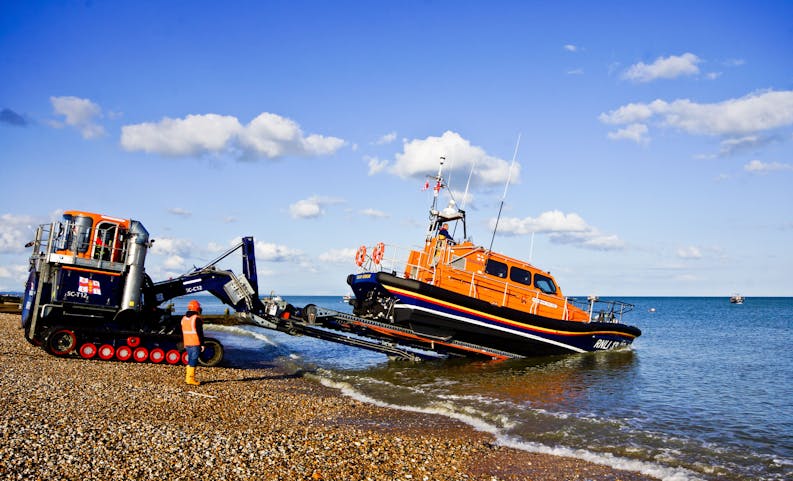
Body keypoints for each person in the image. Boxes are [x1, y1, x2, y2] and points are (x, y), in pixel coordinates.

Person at [181, 299, 205, 386]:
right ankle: (190, 379)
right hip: (195, 343)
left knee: (190, 359)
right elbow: (200, 333)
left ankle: (188, 378)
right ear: (197, 308)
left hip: (187, 343)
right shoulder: (196, 319)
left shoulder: (184, 318)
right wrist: (202, 344)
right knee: (193, 361)